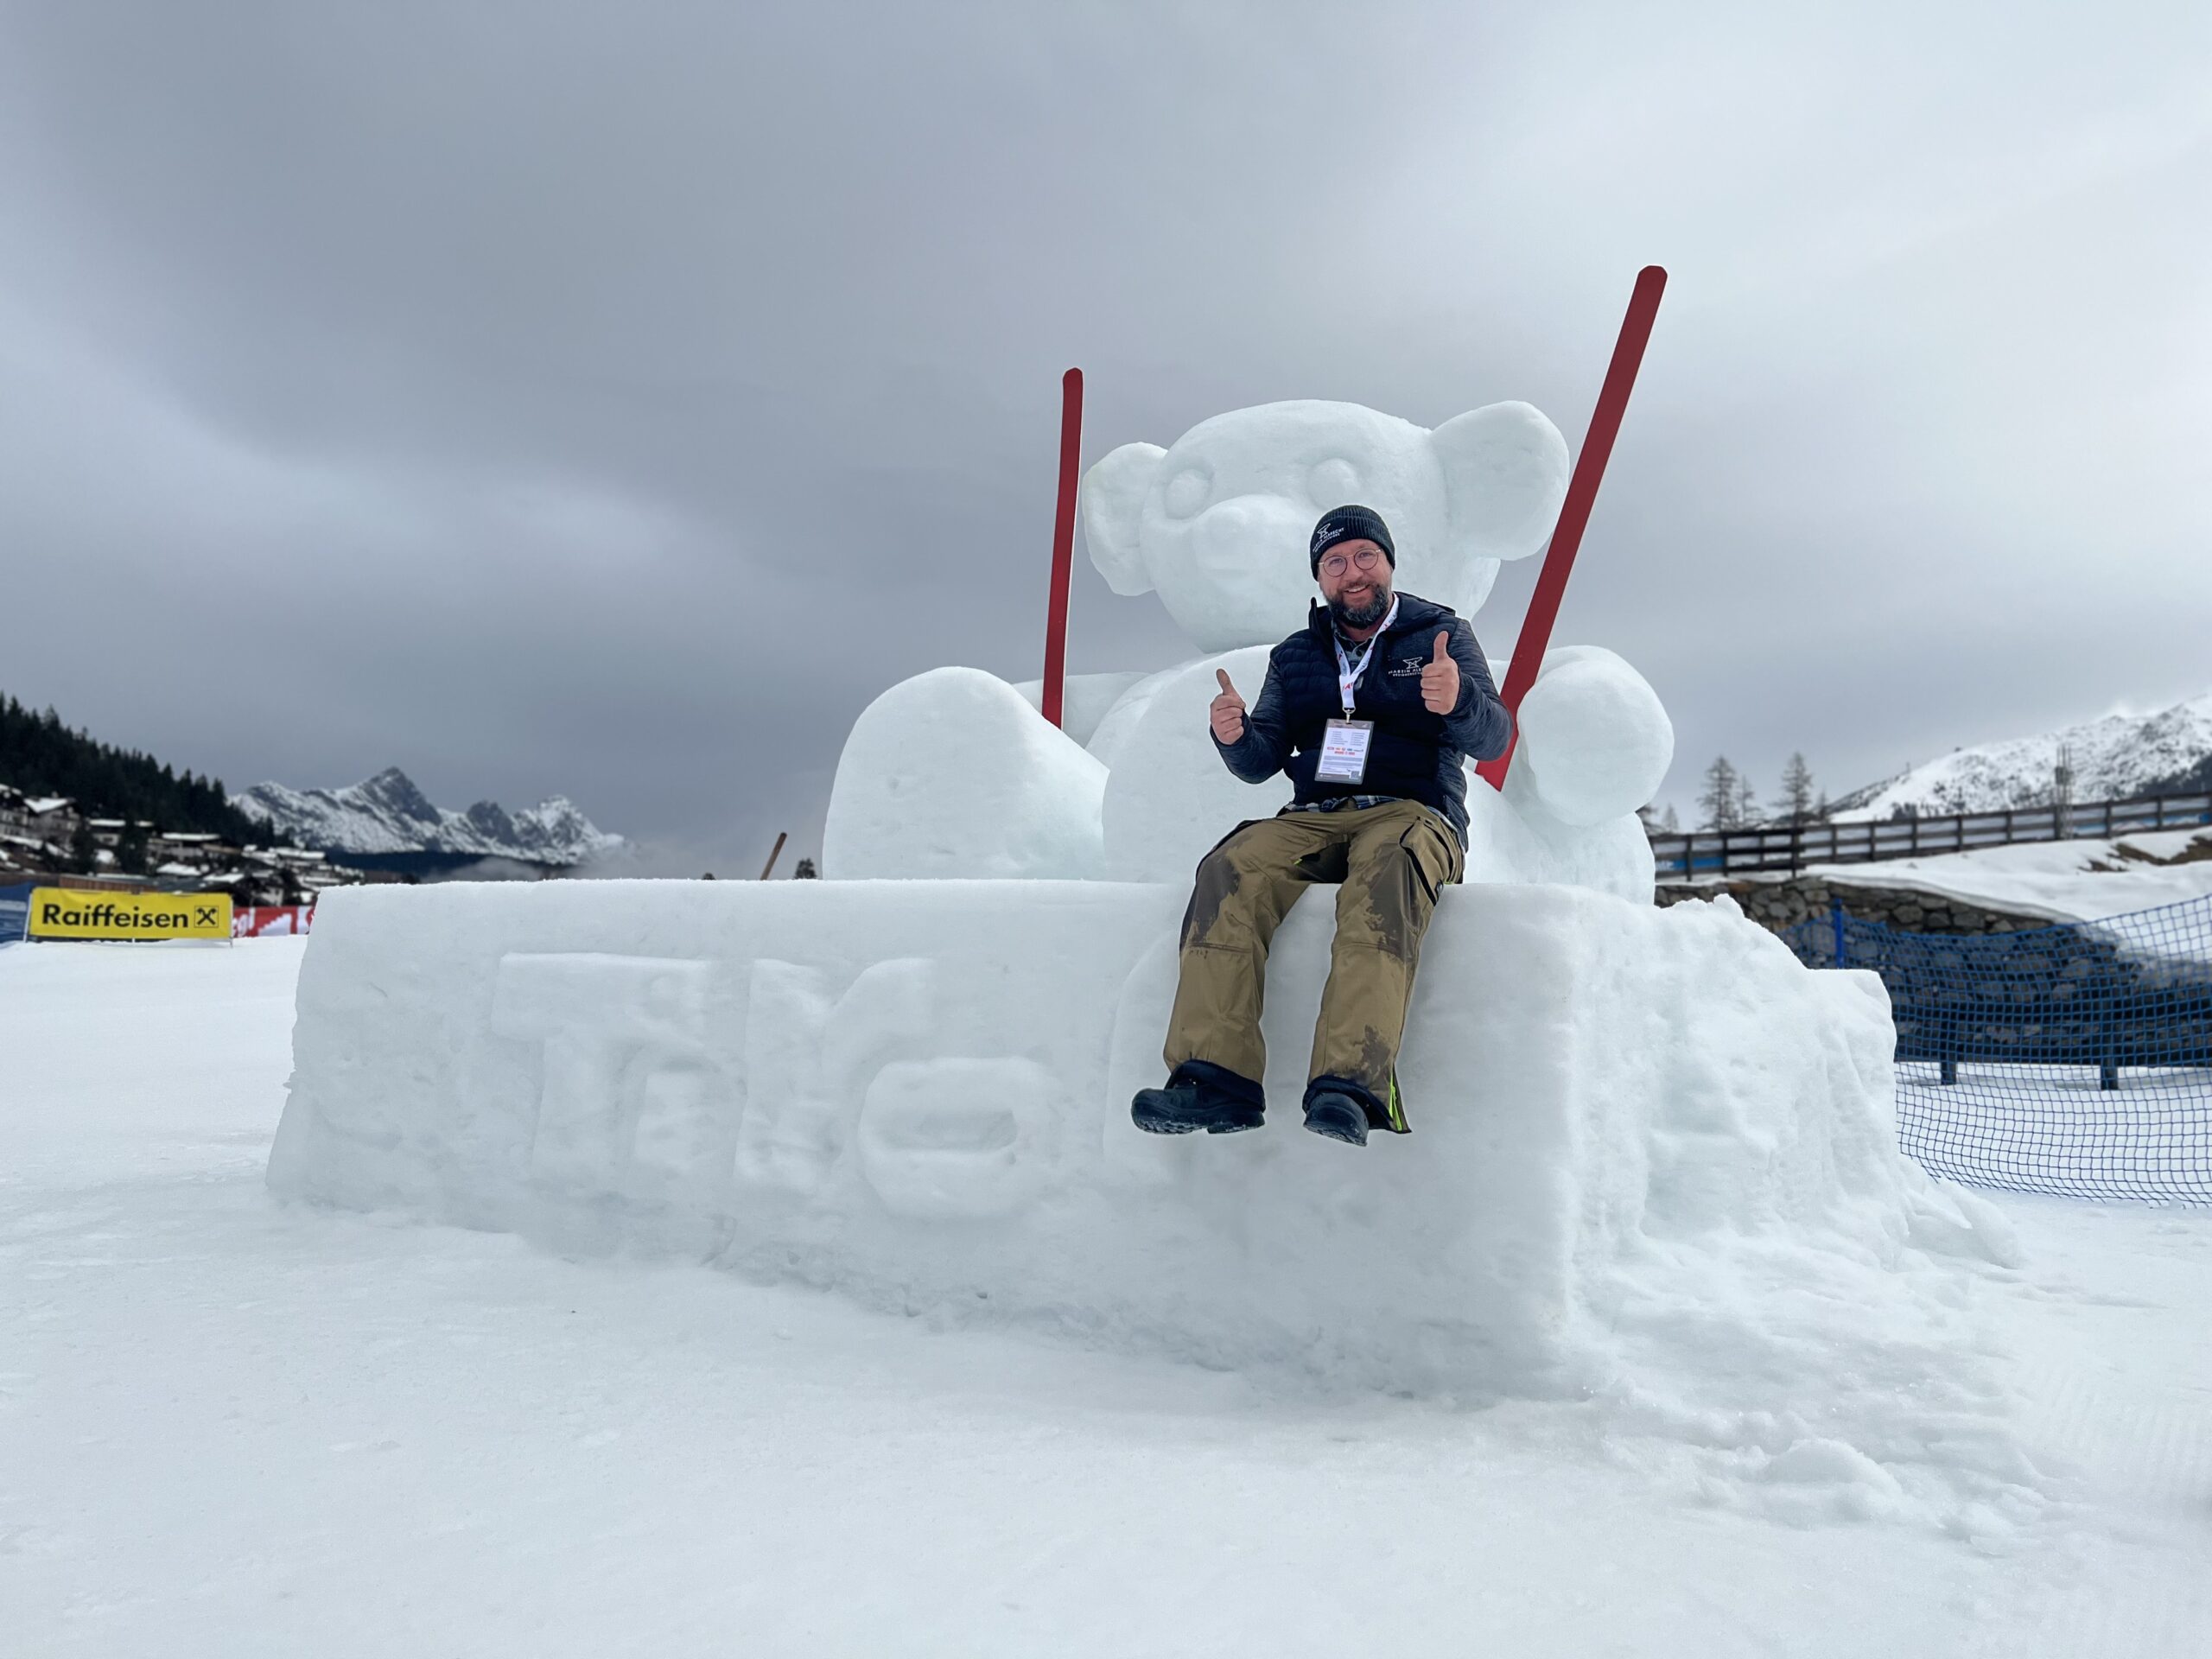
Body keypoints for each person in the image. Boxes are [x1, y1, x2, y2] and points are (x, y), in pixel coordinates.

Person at [1130, 505, 1511, 1147]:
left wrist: (1461, 700)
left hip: (1413, 812)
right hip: (1314, 818)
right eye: (1334, 563)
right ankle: (1216, 1081)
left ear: (1388, 563)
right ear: (1320, 577)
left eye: (1365, 556)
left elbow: (1495, 737)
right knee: (1231, 866)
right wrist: (1235, 735)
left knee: (1389, 867)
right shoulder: (1299, 655)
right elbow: (1262, 760)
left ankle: (1350, 1084)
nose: (1351, 572)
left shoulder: (1439, 634)